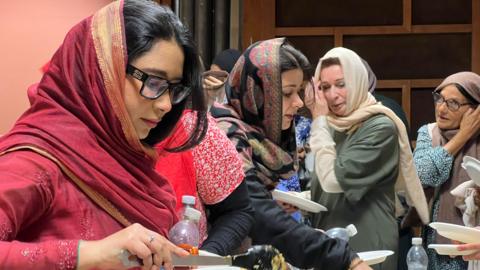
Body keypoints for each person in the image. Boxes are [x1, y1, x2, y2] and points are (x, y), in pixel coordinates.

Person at [0, 0, 209, 269]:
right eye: (154, 82)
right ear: (101, 73)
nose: (166, 105)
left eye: (174, 89)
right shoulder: (38, 161)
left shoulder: (127, 158)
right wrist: (89, 254)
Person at [211, 38, 372, 270]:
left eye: (299, 92)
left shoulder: (257, 135)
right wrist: (341, 256)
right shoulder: (227, 134)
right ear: (256, 91)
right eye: (287, 94)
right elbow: (255, 211)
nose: (298, 103)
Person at [307, 47, 429, 270]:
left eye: (341, 84)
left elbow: (333, 180)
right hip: (330, 239)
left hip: (368, 242)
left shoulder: (380, 126)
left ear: (358, 81)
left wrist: (319, 123)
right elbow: (318, 181)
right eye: (324, 87)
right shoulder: (332, 124)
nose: (332, 95)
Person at [155, 110, 254, 256]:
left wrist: (204, 258)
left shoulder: (193, 132)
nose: (162, 103)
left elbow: (235, 210)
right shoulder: (109, 143)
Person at [413, 71, 480, 270]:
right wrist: (463, 136)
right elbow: (422, 176)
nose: (441, 108)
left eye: (453, 104)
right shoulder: (429, 133)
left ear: (475, 109)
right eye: (439, 99)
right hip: (439, 240)